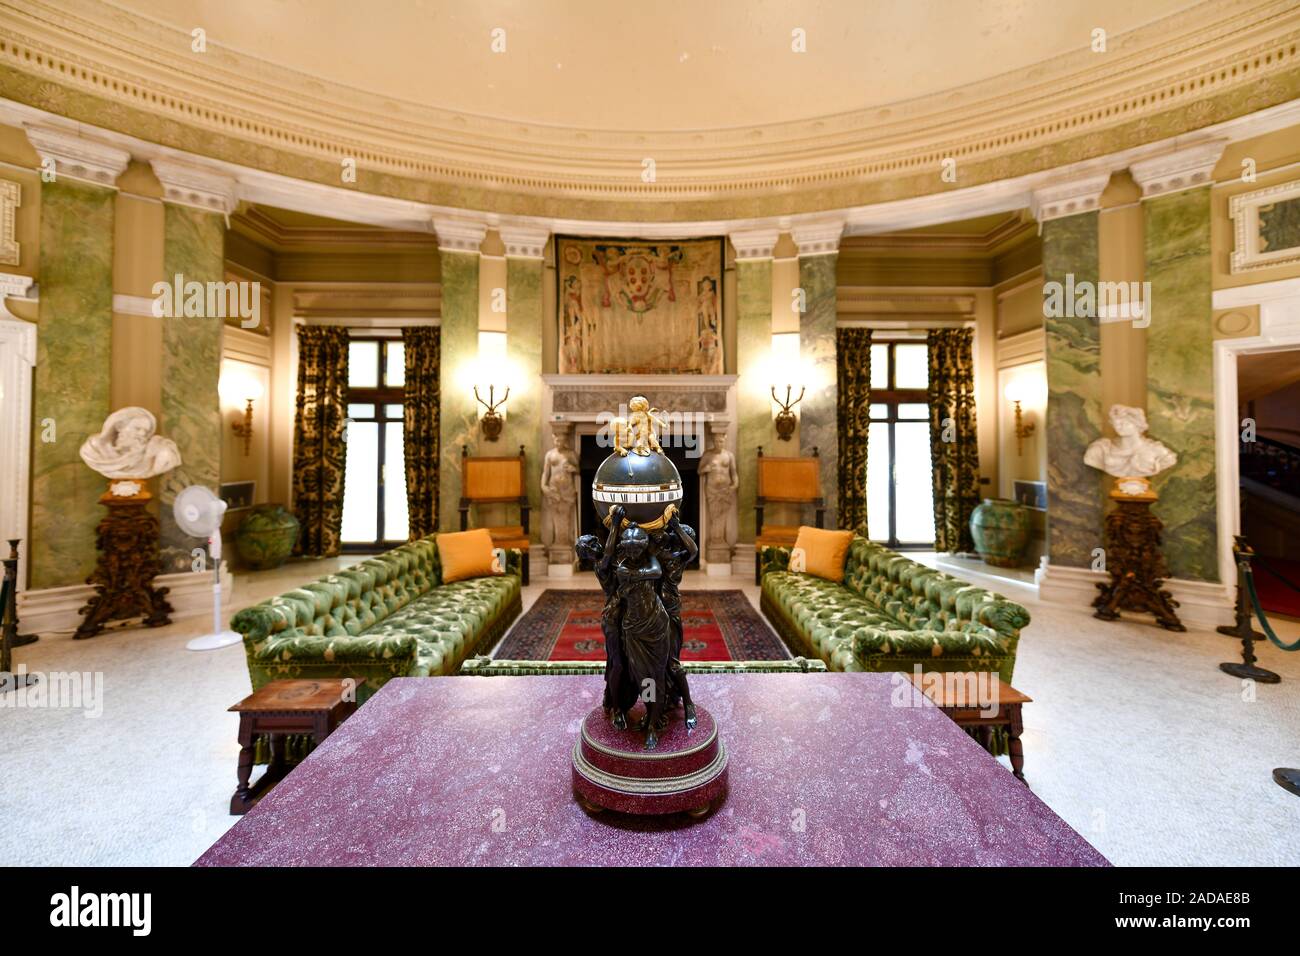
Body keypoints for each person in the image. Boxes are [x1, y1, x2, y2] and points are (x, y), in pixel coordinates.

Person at [613, 523, 672, 750]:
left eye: (637, 548)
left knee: (656, 674)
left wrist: (636, 575)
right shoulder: (621, 566)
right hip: (634, 628)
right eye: (629, 549)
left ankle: (652, 726)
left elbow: (657, 573)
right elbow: (628, 575)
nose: (633, 553)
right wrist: (639, 575)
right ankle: (648, 711)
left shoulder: (648, 562)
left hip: (656, 624)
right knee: (642, 676)